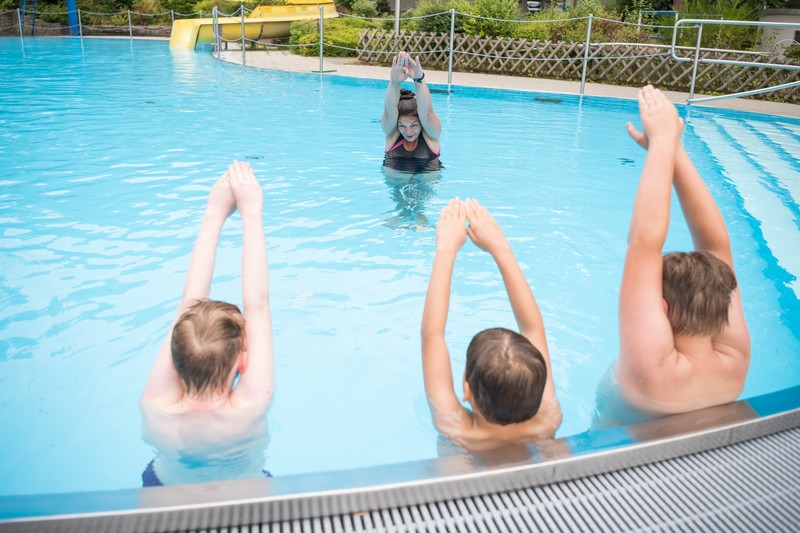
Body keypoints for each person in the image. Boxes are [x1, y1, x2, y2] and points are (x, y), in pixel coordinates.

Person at [605, 85, 751, 425]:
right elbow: (716, 245)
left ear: (663, 308)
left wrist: (662, 142)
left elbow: (644, 243)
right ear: (725, 305)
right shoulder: (734, 359)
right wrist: (671, 146)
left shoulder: (653, 369)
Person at [140, 160, 275, 486]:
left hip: (162, 493)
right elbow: (257, 306)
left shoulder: (156, 405)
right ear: (242, 361)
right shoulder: (249, 407)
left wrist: (213, 213)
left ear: (174, 359)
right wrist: (251, 212)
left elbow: (190, 301)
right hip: (245, 498)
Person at [421, 198, 561, 451]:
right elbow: (533, 328)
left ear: (466, 389)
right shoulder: (548, 419)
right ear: (540, 392)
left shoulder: (454, 428)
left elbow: (432, 336)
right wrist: (500, 247)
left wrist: (445, 250)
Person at [382, 51, 443, 177]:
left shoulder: (431, 135)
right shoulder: (392, 134)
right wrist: (394, 82)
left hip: (424, 185)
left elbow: (426, 114)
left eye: (414, 125)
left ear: (421, 123)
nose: (408, 132)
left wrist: (419, 79)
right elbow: (390, 112)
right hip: (397, 187)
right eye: (402, 126)